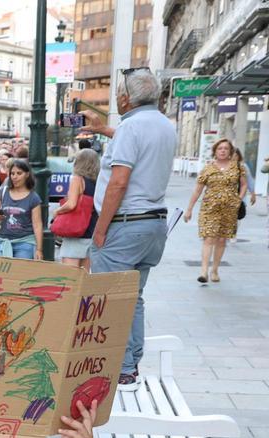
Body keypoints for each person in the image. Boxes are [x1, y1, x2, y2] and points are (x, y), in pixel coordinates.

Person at [81, 67, 176, 390]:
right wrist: (106, 130)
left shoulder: (131, 127)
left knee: (110, 299)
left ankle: (119, 369)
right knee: (133, 298)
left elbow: (118, 182)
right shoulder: (165, 125)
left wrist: (101, 229)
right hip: (153, 225)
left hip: (125, 224)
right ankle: (129, 366)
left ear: (125, 98)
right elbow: (138, 144)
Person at [185, 138, 246, 285]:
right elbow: (198, 190)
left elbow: (244, 185)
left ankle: (215, 270)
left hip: (229, 209)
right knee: (209, 238)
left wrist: (238, 199)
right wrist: (189, 209)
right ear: (215, 151)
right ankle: (204, 271)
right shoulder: (208, 168)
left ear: (230, 151)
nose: (223, 151)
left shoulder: (238, 167)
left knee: (221, 239)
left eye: (226, 148)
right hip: (209, 208)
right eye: (220, 148)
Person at [55, 148, 101, 269]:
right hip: (91, 230)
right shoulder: (98, 182)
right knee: (84, 275)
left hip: (75, 231)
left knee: (70, 275)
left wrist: (57, 211)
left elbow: (71, 204)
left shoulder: (77, 179)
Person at [0, 158, 43, 260]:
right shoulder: (3, 192)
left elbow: (37, 225)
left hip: (25, 242)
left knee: (18, 274)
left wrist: (39, 249)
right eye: (12, 173)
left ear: (27, 174)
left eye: (19, 173)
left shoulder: (34, 198)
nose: (15, 177)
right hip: (2, 240)